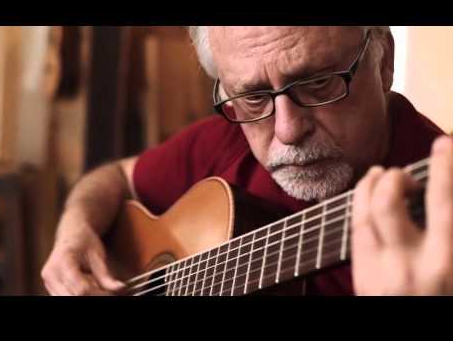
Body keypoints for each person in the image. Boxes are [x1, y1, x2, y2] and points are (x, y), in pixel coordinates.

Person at [41, 26, 452, 296]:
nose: (287, 130)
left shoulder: (436, 190)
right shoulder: (229, 134)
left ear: (383, 63)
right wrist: (75, 229)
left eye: (319, 82)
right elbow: (115, 177)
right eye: (254, 95)